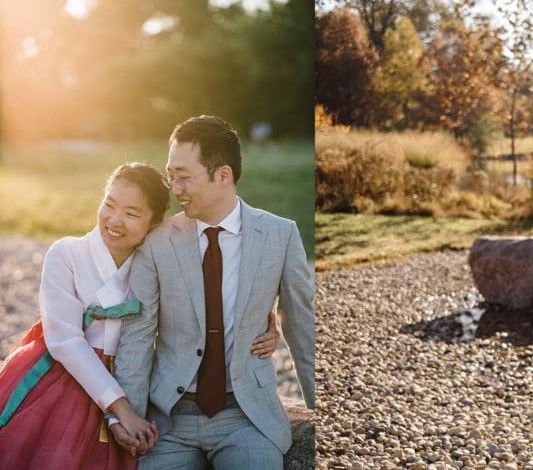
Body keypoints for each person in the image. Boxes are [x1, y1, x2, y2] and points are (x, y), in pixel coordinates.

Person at [0, 163, 280, 469]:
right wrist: (122, 410)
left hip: (129, 375)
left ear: (154, 223)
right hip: (63, 375)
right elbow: (65, 340)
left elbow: (205, 307)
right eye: (109, 204)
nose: (114, 220)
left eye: (132, 214)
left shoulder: (154, 265)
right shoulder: (66, 254)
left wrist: (267, 322)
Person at [114, 115, 316, 468]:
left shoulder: (280, 236)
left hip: (245, 416)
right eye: (170, 176)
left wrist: (322, 407)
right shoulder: (157, 242)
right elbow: (137, 335)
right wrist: (126, 418)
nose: (174, 189)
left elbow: (302, 326)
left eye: (183, 177)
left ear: (223, 175)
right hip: (169, 421)